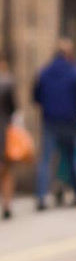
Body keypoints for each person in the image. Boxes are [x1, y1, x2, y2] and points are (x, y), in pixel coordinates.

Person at [33, 38, 76, 210]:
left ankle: (41, 197)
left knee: (46, 160)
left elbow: (36, 96)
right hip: (69, 121)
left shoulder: (44, 71)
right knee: (71, 158)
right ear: (69, 54)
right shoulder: (75, 72)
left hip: (50, 120)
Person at [0, 54, 17, 219]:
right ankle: (6, 204)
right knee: (6, 170)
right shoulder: (6, 82)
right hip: (3, 131)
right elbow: (13, 109)